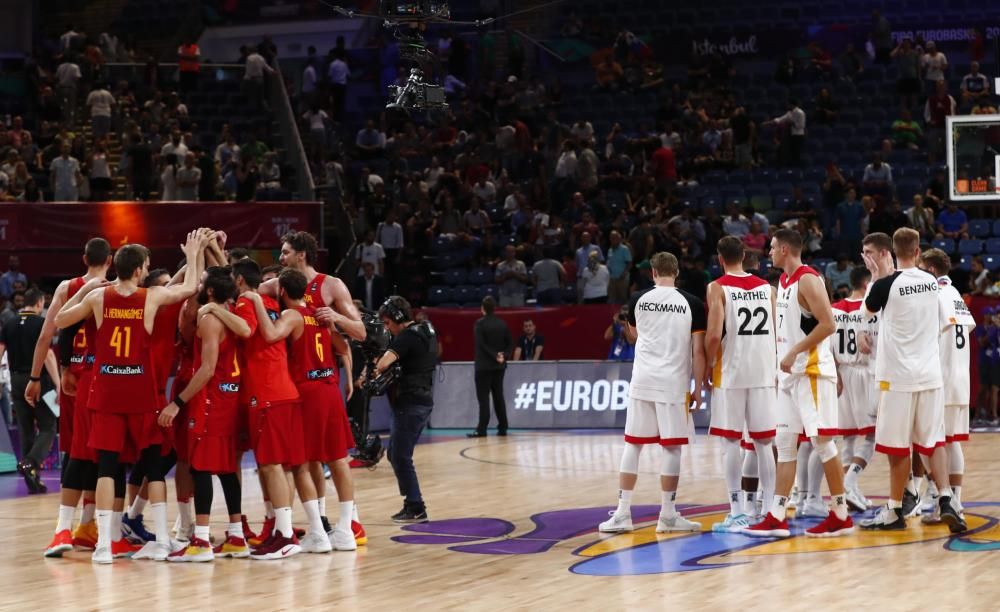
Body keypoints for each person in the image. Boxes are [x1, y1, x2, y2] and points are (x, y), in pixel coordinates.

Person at [54, 231, 207, 563]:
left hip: (107, 393)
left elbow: (60, 320)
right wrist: (194, 255)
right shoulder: (150, 297)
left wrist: (84, 290)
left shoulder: (99, 297)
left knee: (107, 468)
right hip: (141, 394)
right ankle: (164, 540)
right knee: (153, 468)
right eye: (147, 265)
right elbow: (190, 287)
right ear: (138, 270)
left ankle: (104, 547)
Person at [745, 229, 853, 538]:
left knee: (822, 442)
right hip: (790, 376)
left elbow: (829, 324)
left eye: (774, 247)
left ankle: (840, 513)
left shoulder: (808, 279)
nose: (769, 252)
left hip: (813, 372)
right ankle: (777, 514)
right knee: (784, 442)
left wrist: (793, 351)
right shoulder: (782, 282)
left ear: (787, 250)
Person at [858, 228, 965, 533]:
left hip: (897, 378)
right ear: (918, 251)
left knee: (897, 447)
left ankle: (894, 510)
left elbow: (864, 314)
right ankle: (946, 498)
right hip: (930, 375)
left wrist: (878, 275)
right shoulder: (932, 282)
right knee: (933, 441)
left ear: (892, 251)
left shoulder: (885, 285)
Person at [241, 268, 356, 551]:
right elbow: (342, 346)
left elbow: (269, 335)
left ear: (281, 292)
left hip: (306, 392)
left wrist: (255, 300)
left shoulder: (291, 315)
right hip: (329, 386)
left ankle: (317, 531)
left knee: (301, 464)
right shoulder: (320, 312)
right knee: (338, 460)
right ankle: (346, 527)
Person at [598, 252, 706, 534]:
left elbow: (635, 337)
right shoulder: (692, 303)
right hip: (674, 383)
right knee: (671, 447)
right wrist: (699, 387)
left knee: (632, 445)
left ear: (654, 273)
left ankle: (622, 513)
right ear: (677, 273)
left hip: (642, 379)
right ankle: (667, 515)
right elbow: (697, 350)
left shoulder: (637, 299)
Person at [272, 231, 367, 543]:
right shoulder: (279, 285)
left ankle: (348, 522)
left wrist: (336, 316)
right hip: (300, 383)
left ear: (302, 254)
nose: (280, 256)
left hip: (318, 381)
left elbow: (361, 333)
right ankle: (324, 521)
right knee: (313, 459)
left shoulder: (331, 285)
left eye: (285, 252)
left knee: (330, 457)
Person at [32, 238, 112, 557]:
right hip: (101, 377)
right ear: (110, 260)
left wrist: (37, 377)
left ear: (84, 258)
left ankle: (78, 526)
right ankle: (84, 523)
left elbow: (47, 335)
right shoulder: (114, 289)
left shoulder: (68, 286)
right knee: (96, 452)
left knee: (77, 450)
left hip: (72, 377)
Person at [165, 267, 248, 562]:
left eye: (200, 282)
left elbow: (207, 369)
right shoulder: (233, 312)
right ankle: (237, 535)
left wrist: (177, 401)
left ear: (210, 291)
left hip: (212, 399)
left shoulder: (211, 319)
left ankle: (200, 540)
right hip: (231, 396)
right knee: (226, 469)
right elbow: (247, 331)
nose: (196, 285)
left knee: (199, 468)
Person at [227, 258, 307, 559]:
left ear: (238, 283)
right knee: (280, 466)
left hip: (267, 393)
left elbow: (246, 332)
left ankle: (285, 535)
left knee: (271, 465)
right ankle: (282, 530)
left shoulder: (248, 302)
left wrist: (214, 311)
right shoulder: (272, 301)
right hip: (284, 390)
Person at [704, 237, 777, 533]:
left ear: (720, 259)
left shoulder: (717, 287)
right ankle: (771, 508)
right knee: (764, 442)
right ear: (744, 255)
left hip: (732, 372)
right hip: (763, 372)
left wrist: (709, 363)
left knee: (731, 442)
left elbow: (712, 335)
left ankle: (737, 511)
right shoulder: (767, 289)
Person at [919, 248, 975, 524]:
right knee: (952, 443)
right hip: (960, 377)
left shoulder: (934, 296)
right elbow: (969, 327)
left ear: (929, 269)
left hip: (939, 378)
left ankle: (938, 496)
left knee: (927, 441)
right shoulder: (955, 295)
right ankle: (955, 501)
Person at [374, 296, 439, 522]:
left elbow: (383, 364)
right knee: (396, 454)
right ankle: (412, 503)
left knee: (400, 456)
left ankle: (415, 506)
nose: (387, 328)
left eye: (388, 323)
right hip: (423, 400)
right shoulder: (426, 329)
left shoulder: (407, 337)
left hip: (410, 403)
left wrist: (374, 367)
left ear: (399, 318)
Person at [2, 288, 58, 493]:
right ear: (40, 302)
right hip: (37, 379)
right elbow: (49, 356)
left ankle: (33, 480)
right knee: (48, 426)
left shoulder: (8, 324)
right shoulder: (41, 323)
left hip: (16, 380)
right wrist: (59, 385)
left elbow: (0, 352)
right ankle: (31, 463)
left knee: (26, 427)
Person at [831, 266, 876, 512]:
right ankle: (850, 483)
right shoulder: (869, 310)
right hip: (864, 372)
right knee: (873, 434)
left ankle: (851, 490)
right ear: (867, 283)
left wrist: (836, 374)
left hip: (842, 374)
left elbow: (827, 347)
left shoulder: (834, 309)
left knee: (847, 436)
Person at [469, 296, 512, 438]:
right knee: (499, 396)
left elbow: (481, 345)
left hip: (484, 367)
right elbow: (509, 343)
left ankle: (482, 429)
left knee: (484, 399)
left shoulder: (479, 324)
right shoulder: (502, 324)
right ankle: (503, 427)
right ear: (494, 308)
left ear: (482, 308)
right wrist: (503, 356)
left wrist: (494, 355)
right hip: (499, 367)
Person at [606, 230, 632, 304]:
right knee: (612, 299)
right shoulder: (610, 250)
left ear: (619, 239)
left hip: (622, 278)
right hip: (612, 278)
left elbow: (629, 263)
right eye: (611, 238)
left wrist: (624, 274)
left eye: (615, 238)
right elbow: (609, 262)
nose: (613, 239)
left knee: (622, 299)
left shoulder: (624, 249)